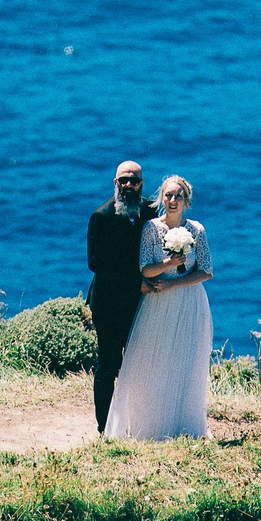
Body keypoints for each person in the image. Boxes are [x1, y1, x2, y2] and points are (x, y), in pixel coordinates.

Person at [102, 173, 213, 439]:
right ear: (161, 198)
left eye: (178, 196)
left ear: (186, 200)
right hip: (157, 303)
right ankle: (149, 425)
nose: (173, 200)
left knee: (185, 362)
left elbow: (207, 270)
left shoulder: (197, 230)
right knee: (153, 362)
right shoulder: (151, 228)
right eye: (168, 195)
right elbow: (145, 268)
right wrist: (168, 265)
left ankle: (184, 424)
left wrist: (176, 282)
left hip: (189, 302)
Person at [85, 159, 156, 431]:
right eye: (123, 180)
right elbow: (96, 263)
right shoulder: (101, 216)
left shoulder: (150, 211)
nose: (128, 185)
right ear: (115, 183)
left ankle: (138, 423)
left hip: (142, 303)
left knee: (140, 363)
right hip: (110, 303)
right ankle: (105, 428)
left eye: (134, 181)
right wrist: (135, 283)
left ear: (141, 184)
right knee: (109, 365)